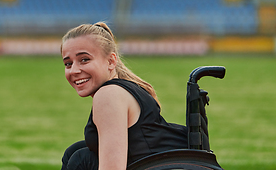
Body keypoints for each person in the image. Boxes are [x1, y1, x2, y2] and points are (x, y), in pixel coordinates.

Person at [60, 22, 188, 170]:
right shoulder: (125, 88)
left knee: (81, 159)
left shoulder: (109, 94)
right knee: (75, 152)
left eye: (84, 59)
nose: (74, 70)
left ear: (111, 61)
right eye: (68, 64)